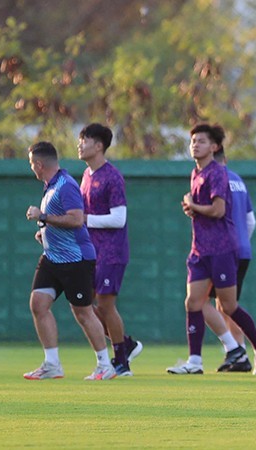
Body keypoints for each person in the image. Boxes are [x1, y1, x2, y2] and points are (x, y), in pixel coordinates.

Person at [167, 123, 256, 376]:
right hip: (200, 250)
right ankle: (195, 361)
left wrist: (193, 205)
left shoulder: (218, 173)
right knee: (193, 302)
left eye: (201, 141)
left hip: (222, 249)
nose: (195, 144)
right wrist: (191, 207)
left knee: (229, 306)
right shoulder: (195, 173)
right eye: (193, 140)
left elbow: (218, 210)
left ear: (214, 147)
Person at [24, 141, 117, 381]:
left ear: (39, 164)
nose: (31, 167)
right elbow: (59, 221)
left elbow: (76, 220)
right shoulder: (50, 185)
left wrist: (42, 216)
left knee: (83, 312)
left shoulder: (66, 185)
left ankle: (105, 365)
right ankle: (52, 364)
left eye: (31, 163)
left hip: (75, 259)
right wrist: (44, 233)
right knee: (38, 303)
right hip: (52, 258)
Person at [78, 123, 142, 377]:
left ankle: (121, 362)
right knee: (82, 303)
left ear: (99, 145)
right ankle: (126, 344)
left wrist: (85, 219)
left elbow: (119, 218)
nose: (80, 145)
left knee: (105, 305)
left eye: (85, 140)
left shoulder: (112, 176)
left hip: (111, 252)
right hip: (90, 251)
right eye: (79, 140)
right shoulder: (86, 176)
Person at [201, 148, 256, 372]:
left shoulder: (211, 180)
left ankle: (241, 349)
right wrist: (242, 240)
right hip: (242, 249)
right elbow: (250, 220)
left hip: (221, 250)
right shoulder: (238, 180)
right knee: (225, 305)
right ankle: (238, 353)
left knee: (199, 301)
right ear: (225, 159)